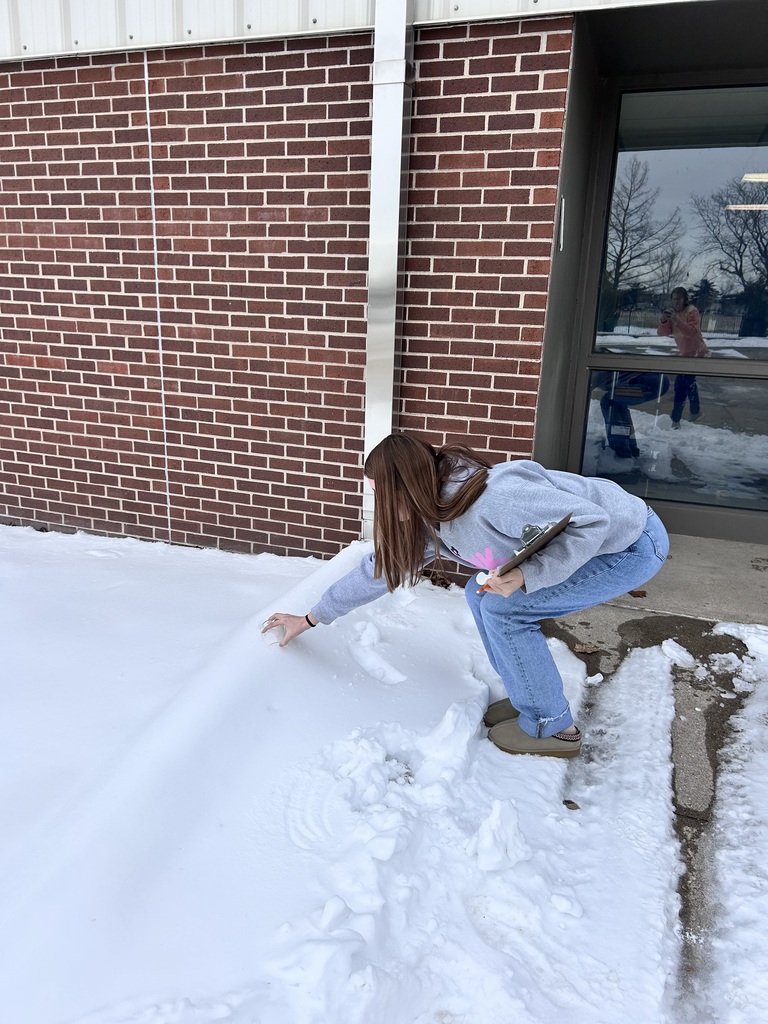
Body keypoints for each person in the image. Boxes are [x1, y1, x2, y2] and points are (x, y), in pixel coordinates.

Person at [262, 434, 669, 759]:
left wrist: (529, 574)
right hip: (597, 542)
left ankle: (554, 727)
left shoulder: (495, 498)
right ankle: (529, 695)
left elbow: (590, 521)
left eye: (382, 493)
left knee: (505, 611)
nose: (378, 503)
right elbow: (379, 569)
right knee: (481, 593)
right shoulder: (428, 511)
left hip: (628, 543)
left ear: (409, 485)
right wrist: (312, 617)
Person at [657, 287, 710, 427]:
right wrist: (664, 320)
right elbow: (663, 333)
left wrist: (676, 320)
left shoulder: (692, 312)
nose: (676, 302)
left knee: (681, 385)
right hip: (684, 354)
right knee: (686, 384)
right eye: (674, 299)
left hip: (696, 353)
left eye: (679, 299)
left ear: (685, 300)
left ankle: (676, 420)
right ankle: (694, 412)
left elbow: (691, 332)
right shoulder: (674, 313)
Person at [594, 370, 669, 458]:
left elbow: (582, 390)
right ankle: (630, 448)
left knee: (608, 402)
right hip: (655, 379)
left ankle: (620, 449)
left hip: (645, 381)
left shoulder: (590, 371)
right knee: (617, 403)